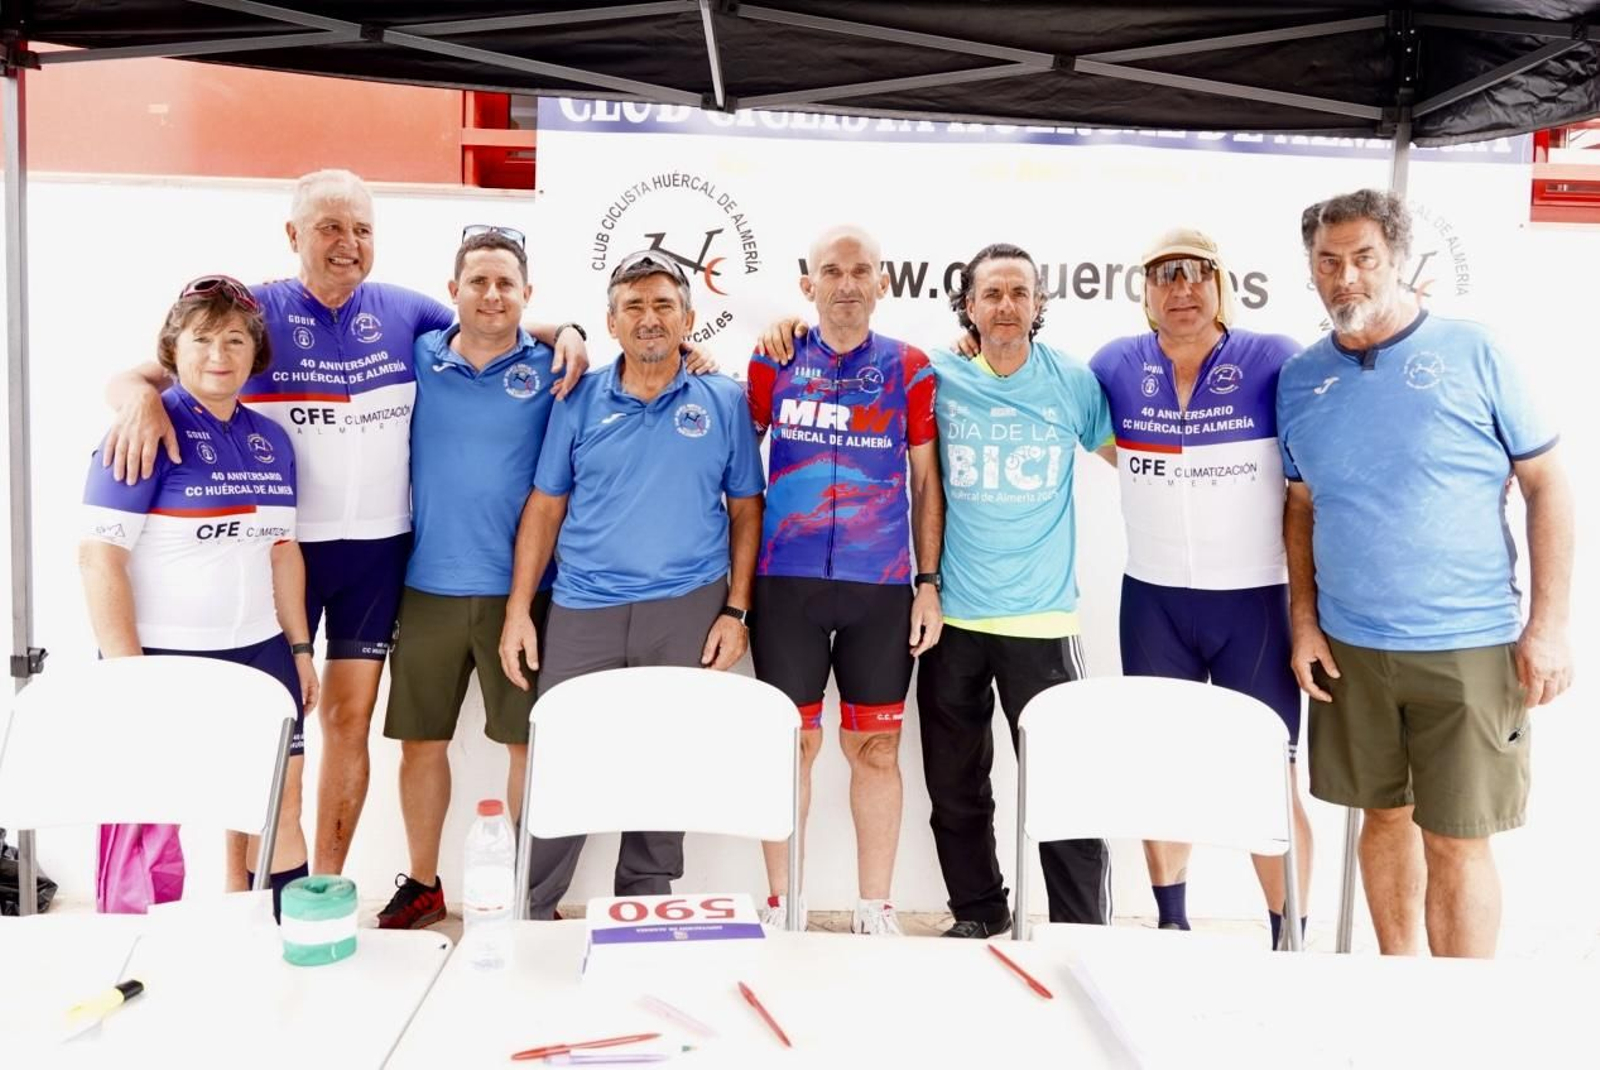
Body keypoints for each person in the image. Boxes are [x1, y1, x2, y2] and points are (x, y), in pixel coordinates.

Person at [100, 171, 589, 876]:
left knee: (348, 722)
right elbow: (146, 372)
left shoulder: (405, 312)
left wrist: (566, 330)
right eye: (330, 227)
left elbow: (492, 322)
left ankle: (323, 883)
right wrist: (136, 400)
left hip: (377, 556)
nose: (347, 244)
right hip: (279, 555)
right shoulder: (255, 309)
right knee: (265, 727)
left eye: (361, 229)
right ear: (293, 234)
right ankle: (244, 885)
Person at [1278, 189, 1573, 958]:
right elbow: (1302, 507)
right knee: (1381, 819)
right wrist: (1304, 621)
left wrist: (1547, 626)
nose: (1345, 277)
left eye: (1363, 258)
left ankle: (1462, 1022)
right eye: (1328, 262)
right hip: (1351, 647)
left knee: (1457, 838)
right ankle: (1400, 992)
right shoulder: (1301, 379)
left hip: (1467, 645)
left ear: (1399, 259)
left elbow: (1548, 485)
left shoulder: (1477, 352)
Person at [499, 250, 764, 919]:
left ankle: (645, 901)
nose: (649, 319)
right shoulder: (577, 396)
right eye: (634, 307)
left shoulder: (724, 399)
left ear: (689, 318)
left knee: (665, 757)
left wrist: (737, 608)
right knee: (564, 756)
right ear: (610, 324)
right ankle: (529, 902)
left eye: (663, 305)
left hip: (688, 603)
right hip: (583, 603)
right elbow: (545, 505)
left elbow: (746, 510)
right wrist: (517, 613)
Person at [1087, 228, 1313, 947]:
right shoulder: (1116, 363)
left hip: (1254, 600)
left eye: (1196, 274)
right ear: (1145, 291)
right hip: (1154, 598)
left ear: (1223, 285)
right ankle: (1172, 928)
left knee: (1267, 775)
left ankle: (1290, 936)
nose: (1181, 289)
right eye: (1164, 276)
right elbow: (1035, 387)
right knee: (1163, 769)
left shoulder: (1273, 357)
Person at [79, 275, 317, 915]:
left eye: (235, 339)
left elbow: (281, 551)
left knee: (281, 802)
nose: (220, 354)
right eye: (203, 339)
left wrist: (299, 648)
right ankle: (137, 964)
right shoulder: (143, 429)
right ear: (172, 351)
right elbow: (99, 558)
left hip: (261, 654)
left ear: (254, 352)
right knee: (152, 822)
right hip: (164, 659)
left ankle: (283, 942)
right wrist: (128, 678)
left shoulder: (272, 439)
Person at [744, 225, 943, 936]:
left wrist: (928, 582)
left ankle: (874, 907)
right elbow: (738, 470)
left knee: (878, 749)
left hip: (881, 585)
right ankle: (783, 902)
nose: (848, 283)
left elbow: (926, 481)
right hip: (786, 584)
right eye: (833, 270)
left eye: (862, 270)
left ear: (883, 282)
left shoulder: (911, 368)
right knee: (790, 746)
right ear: (809, 285)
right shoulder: (773, 360)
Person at [924, 243, 1113, 936]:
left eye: (1019, 293)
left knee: (1064, 785)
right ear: (968, 305)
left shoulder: (1071, 381)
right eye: (992, 293)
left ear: (1038, 305)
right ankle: (978, 915)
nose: (1006, 305)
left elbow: (1132, 462)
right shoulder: (935, 374)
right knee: (955, 787)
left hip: (1042, 620)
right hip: (954, 617)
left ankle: (1078, 929)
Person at [374, 230, 561, 929]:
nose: (491, 295)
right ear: (452, 291)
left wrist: (566, 333)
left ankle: (522, 893)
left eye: (505, 284)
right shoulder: (417, 355)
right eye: (477, 282)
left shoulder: (555, 365)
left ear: (526, 295)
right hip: (427, 589)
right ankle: (423, 883)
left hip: (524, 593)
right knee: (421, 743)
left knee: (525, 745)